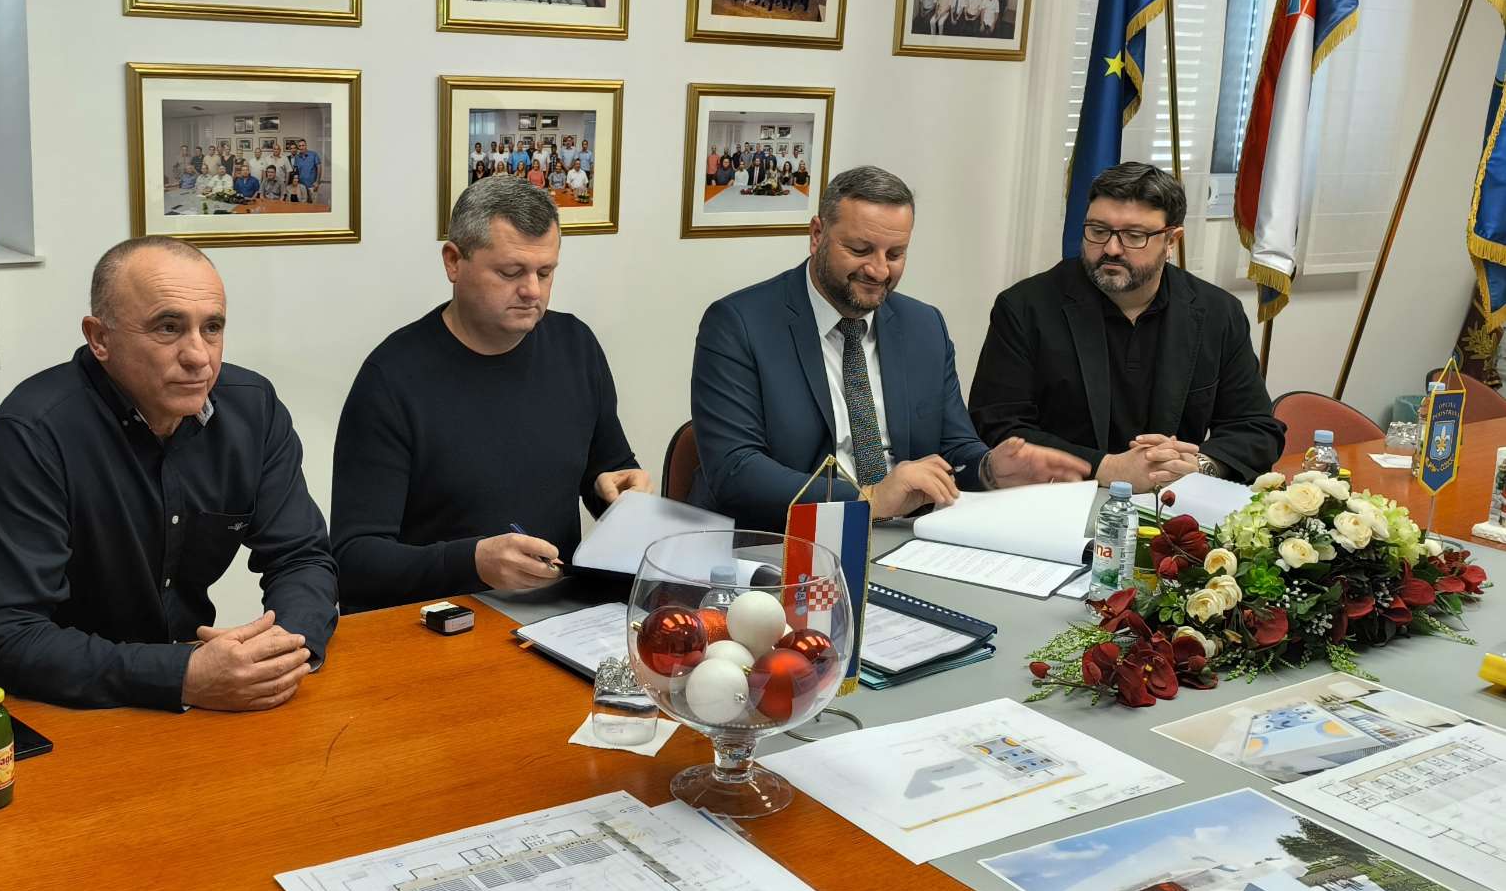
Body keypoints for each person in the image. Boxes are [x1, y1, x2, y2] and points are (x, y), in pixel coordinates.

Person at [0, 237, 336, 711]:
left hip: (205, 703)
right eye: (168, 328)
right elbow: (6, 637)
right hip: (74, 708)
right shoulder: (33, 433)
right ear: (100, 338)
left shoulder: (253, 410)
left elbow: (302, 557)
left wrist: (281, 650)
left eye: (212, 327)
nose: (198, 356)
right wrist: (182, 675)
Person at [690, 165, 1088, 528]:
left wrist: (990, 469)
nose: (879, 270)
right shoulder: (739, 324)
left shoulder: (924, 326)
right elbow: (735, 469)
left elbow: (953, 446)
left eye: (895, 254)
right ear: (817, 236)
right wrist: (868, 499)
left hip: (905, 540)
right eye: (860, 250)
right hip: (783, 542)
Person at [329, 178, 650, 612]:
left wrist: (622, 494)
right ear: (453, 262)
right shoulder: (391, 380)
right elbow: (353, 562)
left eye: (545, 272)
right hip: (439, 619)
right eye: (510, 272)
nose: (532, 290)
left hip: (554, 614)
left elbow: (607, 471)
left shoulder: (575, 346)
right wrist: (473, 562)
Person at [969, 160, 1284, 488]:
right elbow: (998, 426)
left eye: (1134, 236)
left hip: (1174, 502)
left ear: (1172, 240)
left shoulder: (1218, 312)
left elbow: (1255, 428)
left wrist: (1199, 465)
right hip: (1058, 498)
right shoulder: (1025, 307)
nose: (1111, 248)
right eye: (1098, 230)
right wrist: (1104, 467)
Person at [292, 138, 320, 206]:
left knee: (313, 206)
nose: (301, 147)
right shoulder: (297, 157)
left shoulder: (313, 154)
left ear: (306, 145)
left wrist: (317, 182)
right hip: (301, 186)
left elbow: (319, 168)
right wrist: (295, 183)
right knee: (302, 205)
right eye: (300, 146)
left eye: (303, 145)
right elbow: (296, 170)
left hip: (312, 185)